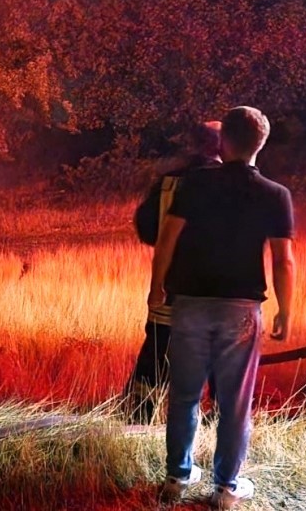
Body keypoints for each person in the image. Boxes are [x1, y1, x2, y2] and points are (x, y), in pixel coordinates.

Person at [149, 106, 295, 508]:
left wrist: (155, 289)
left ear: (223, 141)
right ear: (260, 144)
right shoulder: (276, 194)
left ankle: (176, 478)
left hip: (191, 304)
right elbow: (284, 260)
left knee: (184, 396)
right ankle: (226, 488)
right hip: (242, 310)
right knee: (234, 403)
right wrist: (285, 310)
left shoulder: (195, 184)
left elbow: (167, 239)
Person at [123, 121, 223, 424]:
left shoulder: (169, 181)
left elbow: (146, 227)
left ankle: (137, 420)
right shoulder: (233, 181)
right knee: (221, 353)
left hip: (169, 287)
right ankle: (216, 420)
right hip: (217, 291)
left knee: (156, 353)